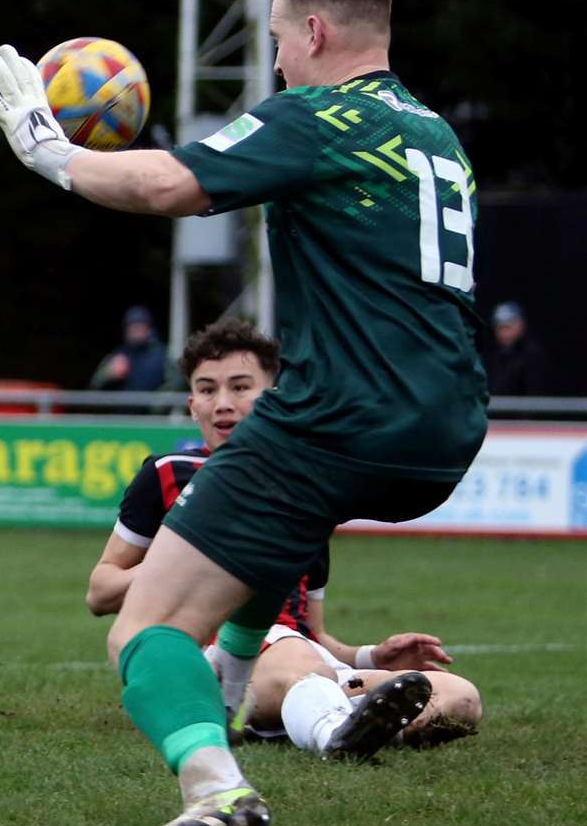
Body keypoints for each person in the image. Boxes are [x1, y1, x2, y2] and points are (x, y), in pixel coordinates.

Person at [0, 0, 487, 826]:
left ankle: (215, 790)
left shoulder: (321, 113)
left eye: (281, 40)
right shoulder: (436, 135)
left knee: (146, 629)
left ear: (318, 30)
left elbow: (171, 183)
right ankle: (249, 677)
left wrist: (48, 153)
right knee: (268, 539)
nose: (278, 60)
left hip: (341, 417)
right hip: (448, 430)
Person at [86, 319, 482, 756]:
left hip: (299, 658)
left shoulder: (306, 490)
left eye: (240, 387)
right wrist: (180, 563)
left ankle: (342, 722)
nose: (222, 404)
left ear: (276, 397)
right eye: (207, 389)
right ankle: (331, 735)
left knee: (458, 698)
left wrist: (373, 656)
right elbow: (100, 591)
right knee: (294, 659)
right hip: (211, 657)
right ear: (192, 404)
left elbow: (313, 633)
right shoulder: (167, 472)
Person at [89, 306, 171, 391]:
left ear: (149, 329)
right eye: (133, 327)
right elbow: (94, 385)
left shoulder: (161, 355)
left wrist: (158, 401)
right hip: (122, 403)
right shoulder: (118, 355)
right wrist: (110, 373)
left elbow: (176, 384)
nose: (136, 331)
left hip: (150, 403)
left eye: (140, 327)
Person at [484, 301, 548, 397]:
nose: (503, 332)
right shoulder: (497, 356)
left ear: (521, 325)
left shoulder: (532, 356)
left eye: (508, 327)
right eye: (499, 327)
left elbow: (536, 395)